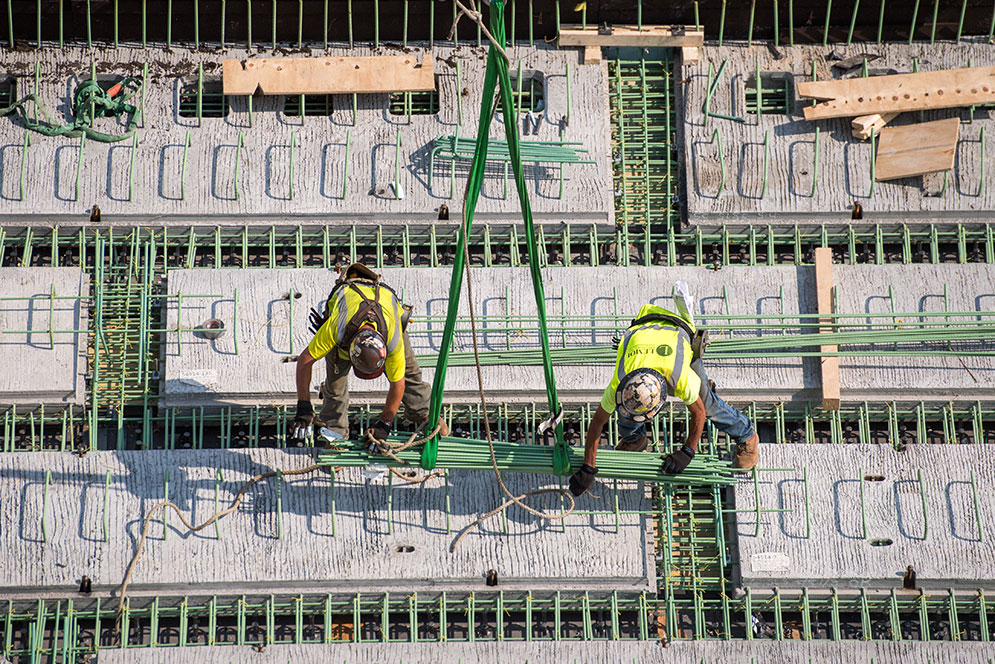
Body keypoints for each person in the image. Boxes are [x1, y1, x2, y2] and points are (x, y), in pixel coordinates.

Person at [568, 299, 759, 497]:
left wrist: (687, 452)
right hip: (645, 327)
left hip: (679, 333)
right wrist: (588, 468)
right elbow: (598, 421)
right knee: (625, 410)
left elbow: (699, 413)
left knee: (706, 402)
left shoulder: (678, 378)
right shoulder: (621, 381)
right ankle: (635, 439)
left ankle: (747, 435)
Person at [291, 263, 447, 446]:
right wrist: (304, 406)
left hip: (387, 318)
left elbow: (398, 384)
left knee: (409, 370)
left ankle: (422, 412)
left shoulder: (393, 342)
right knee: (335, 385)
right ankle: (334, 432)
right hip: (346, 326)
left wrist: (384, 424)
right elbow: (304, 361)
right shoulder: (335, 329)